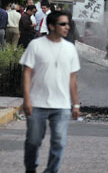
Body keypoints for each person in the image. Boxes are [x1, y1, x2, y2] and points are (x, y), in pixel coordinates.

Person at [19, 10, 80, 173]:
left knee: (59, 141)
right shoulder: (36, 45)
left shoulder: (70, 49)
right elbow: (27, 72)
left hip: (61, 105)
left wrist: (75, 104)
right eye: (63, 24)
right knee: (33, 141)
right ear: (51, 26)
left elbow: (73, 78)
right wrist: (27, 99)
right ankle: (30, 169)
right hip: (37, 103)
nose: (67, 27)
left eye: (67, 24)